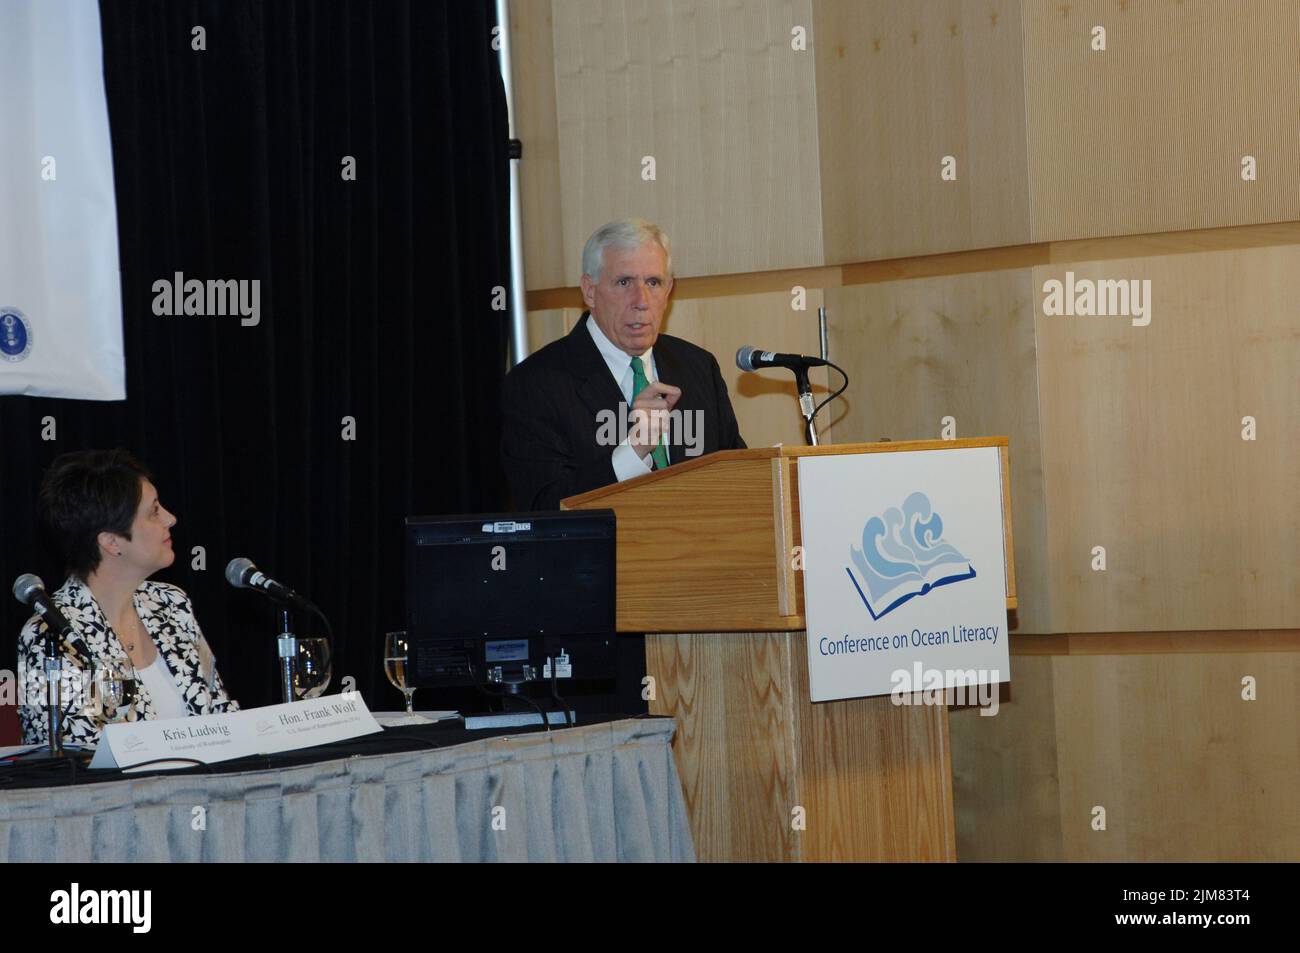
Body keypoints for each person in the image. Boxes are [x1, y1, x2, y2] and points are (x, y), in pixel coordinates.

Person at [502, 218, 746, 509]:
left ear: (669, 290)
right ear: (589, 290)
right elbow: (545, 508)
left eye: (653, 283)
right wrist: (633, 452)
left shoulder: (699, 368)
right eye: (624, 282)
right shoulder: (535, 385)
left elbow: (737, 481)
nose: (641, 300)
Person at [18, 449, 239, 747]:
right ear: (111, 542)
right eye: (154, 511)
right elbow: (61, 757)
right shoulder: (47, 634)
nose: (171, 519)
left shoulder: (171, 604)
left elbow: (222, 715)